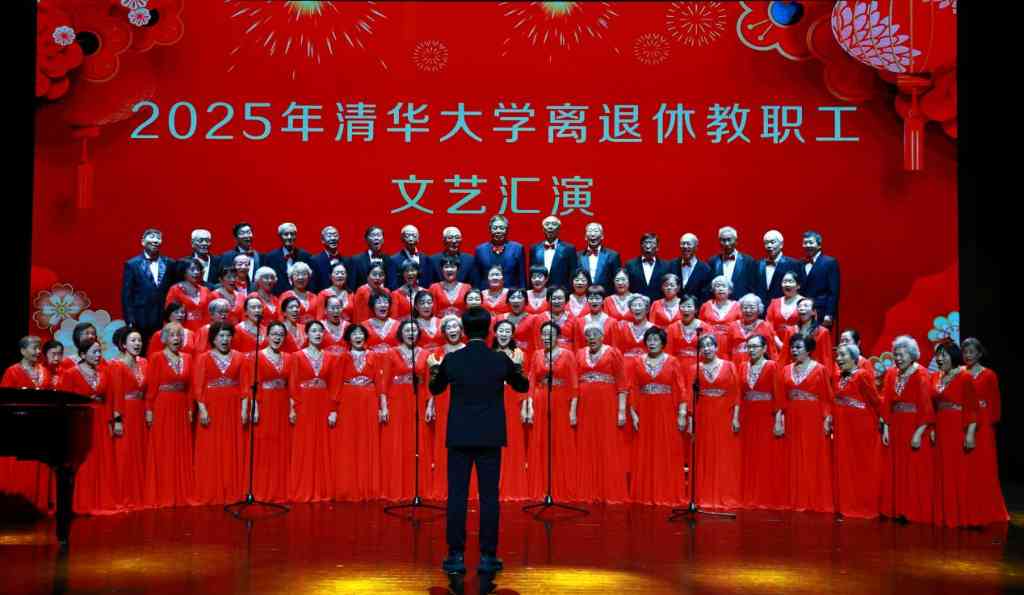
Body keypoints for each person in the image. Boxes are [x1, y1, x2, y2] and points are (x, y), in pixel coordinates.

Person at [428, 307, 529, 575]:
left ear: (463, 330)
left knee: (457, 496)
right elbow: (522, 386)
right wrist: (517, 365)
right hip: (489, 436)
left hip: (459, 436)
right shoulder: (499, 359)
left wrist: (435, 369)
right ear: (488, 331)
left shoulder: (453, 359)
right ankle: (487, 556)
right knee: (489, 497)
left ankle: (455, 556)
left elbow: (435, 388)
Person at [628, 327, 689, 506]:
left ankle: (667, 492)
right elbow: (633, 388)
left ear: (663, 343)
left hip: (666, 411)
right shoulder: (637, 361)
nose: (652, 343)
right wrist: (633, 414)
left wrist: (682, 413)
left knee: (666, 450)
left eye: (656, 340)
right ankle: (645, 493)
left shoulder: (673, 361)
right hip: (645, 410)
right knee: (645, 450)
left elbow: (681, 388)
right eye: (649, 340)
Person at [775, 334, 835, 513]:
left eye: (798, 347)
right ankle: (796, 498)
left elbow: (827, 397)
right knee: (793, 456)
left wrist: (827, 418)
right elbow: (781, 398)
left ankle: (813, 498)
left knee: (812, 455)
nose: (794, 350)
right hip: (793, 415)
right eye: (793, 347)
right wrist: (779, 419)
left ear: (808, 350)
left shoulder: (820, 369)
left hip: (813, 417)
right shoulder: (785, 370)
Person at [58, 338, 117, 514]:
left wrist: (111, 422)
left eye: (100, 352)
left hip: (100, 419)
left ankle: (102, 500)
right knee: (85, 461)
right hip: (82, 420)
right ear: (83, 355)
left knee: (101, 459)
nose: (98, 355)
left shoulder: (103, 373)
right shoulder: (70, 374)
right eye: (94, 352)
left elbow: (108, 400)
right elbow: (65, 402)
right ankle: (82, 501)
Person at [523, 321, 580, 502]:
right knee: (541, 442)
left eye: (551, 334)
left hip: (561, 401)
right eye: (544, 334)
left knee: (560, 442)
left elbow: (574, 384)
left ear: (558, 336)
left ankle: (561, 487)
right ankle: (541, 488)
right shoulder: (537, 354)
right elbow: (532, 381)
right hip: (541, 400)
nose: (547, 337)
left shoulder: (568, 355)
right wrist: (529, 406)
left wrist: (573, 410)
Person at [191, 321, 246, 506]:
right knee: (211, 448)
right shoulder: (203, 358)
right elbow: (198, 386)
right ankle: (211, 489)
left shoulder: (240, 357)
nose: (225, 339)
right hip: (211, 407)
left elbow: (245, 386)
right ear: (213, 339)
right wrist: (202, 409)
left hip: (233, 407)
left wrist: (244, 409)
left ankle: (231, 489)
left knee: (231, 447)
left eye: (228, 336)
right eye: (221, 336)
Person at [880, 335, 934, 524]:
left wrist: (919, 433)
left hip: (914, 425)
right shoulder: (891, 373)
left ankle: (911, 510)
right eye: (896, 355)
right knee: (896, 468)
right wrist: (886, 429)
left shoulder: (922, 374)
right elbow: (886, 402)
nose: (898, 358)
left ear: (912, 355)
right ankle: (895, 509)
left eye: (902, 355)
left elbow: (926, 407)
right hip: (895, 425)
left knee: (912, 470)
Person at [575, 324, 630, 503]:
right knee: (587, 442)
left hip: (607, 404)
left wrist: (621, 411)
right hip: (585, 405)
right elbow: (574, 382)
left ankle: (608, 489)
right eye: (588, 335)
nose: (591, 337)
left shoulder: (613, 353)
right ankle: (587, 489)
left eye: (595, 334)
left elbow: (622, 384)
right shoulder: (579, 354)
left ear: (602, 336)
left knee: (607, 443)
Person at [142, 322, 195, 508]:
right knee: (163, 448)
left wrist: (190, 409)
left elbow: (190, 388)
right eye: (172, 335)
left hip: (181, 406)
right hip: (162, 406)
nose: (176, 338)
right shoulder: (156, 358)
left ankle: (181, 492)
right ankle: (163, 493)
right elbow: (151, 387)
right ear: (165, 339)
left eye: (179, 335)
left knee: (180, 448)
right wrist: (149, 410)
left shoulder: (188, 358)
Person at [0, 337, 56, 511]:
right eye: (34, 348)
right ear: (23, 351)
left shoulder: (44, 371)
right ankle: (19, 504)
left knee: (40, 464)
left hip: (42, 427)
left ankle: (39, 503)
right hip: (21, 429)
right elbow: (5, 401)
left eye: (39, 348)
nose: (38, 352)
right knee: (22, 466)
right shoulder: (12, 372)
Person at [832, 343, 887, 519]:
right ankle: (847, 503)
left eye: (843, 355)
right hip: (844, 429)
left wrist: (885, 423)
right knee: (846, 467)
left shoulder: (862, 375)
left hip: (861, 430)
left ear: (854, 358)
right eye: (837, 355)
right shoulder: (838, 376)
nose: (839, 359)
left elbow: (875, 400)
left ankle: (864, 505)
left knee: (861, 468)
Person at [930, 342, 979, 528]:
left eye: (944, 355)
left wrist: (970, 433)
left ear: (953, 356)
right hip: (941, 427)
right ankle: (943, 515)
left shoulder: (965, 377)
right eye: (938, 355)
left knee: (956, 472)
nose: (939, 359)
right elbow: (934, 406)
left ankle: (958, 516)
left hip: (957, 427)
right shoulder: (937, 376)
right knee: (942, 471)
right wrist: (933, 428)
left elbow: (973, 408)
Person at [242, 321, 292, 503]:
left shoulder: (289, 358)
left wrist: (292, 408)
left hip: (282, 403)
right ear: (267, 336)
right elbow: (251, 384)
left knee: (281, 445)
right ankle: (262, 488)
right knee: (265, 446)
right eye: (274, 334)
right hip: (264, 403)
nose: (277, 338)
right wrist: (255, 407)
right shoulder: (256, 357)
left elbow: (292, 385)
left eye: (281, 335)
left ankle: (280, 488)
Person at [961, 338, 1009, 525]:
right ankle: (967, 509)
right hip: (964, 422)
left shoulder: (989, 375)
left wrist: (988, 425)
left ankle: (987, 510)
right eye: (965, 352)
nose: (968, 355)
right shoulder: (960, 373)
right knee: (966, 467)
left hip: (983, 426)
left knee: (983, 467)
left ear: (979, 353)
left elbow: (995, 403)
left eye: (971, 352)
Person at [379, 320, 430, 501]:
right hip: (397, 402)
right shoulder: (391, 353)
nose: (411, 333)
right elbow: (384, 383)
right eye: (407, 330)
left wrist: (430, 405)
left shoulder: (425, 353)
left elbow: (429, 382)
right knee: (397, 442)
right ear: (401, 333)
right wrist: (383, 406)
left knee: (417, 442)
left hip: (418, 401)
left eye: (414, 330)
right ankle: (397, 488)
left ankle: (417, 489)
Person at [288, 321, 338, 503]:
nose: (317, 334)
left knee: (323, 444)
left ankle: (323, 488)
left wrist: (333, 410)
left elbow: (334, 385)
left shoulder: (331, 357)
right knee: (305, 443)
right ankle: (304, 487)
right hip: (304, 403)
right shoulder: (297, 356)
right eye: (314, 331)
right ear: (307, 334)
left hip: (323, 402)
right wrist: (293, 408)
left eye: (320, 331)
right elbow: (293, 384)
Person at [332, 324, 383, 501]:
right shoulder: (342, 357)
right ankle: (348, 487)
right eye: (354, 334)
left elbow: (379, 383)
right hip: (348, 401)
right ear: (349, 338)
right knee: (349, 441)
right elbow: (336, 384)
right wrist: (333, 409)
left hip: (369, 400)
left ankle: (368, 487)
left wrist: (382, 407)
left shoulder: (374, 356)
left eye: (361, 334)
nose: (358, 336)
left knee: (367, 440)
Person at [692, 334, 742, 510]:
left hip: (723, 412)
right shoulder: (695, 368)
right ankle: (704, 495)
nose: (706, 349)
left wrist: (735, 417)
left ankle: (723, 494)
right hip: (703, 413)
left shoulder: (729, 366)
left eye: (710, 345)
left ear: (716, 347)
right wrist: (690, 418)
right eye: (703, 346)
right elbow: (690, 395)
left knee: (723, 453)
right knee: (704, 452)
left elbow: (736, 393)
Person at [738, 335, 787, 510]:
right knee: (748, 454)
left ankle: (765, 495)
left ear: (764, 348)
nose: (751, 350)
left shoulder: (772, 366)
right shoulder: (742, 366)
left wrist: (778, 420)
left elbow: (779, 394)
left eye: (755, 346)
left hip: (766, 415)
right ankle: (749, 494)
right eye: (749, 347)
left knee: (765, 455)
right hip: (748, 415)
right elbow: (739, 393)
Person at [425, 316, 468, 501]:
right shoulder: (436, 353)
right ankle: (444, 487)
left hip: (464, 400)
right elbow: (432, 382)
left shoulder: (468, 350)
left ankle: (465, 487)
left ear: (461, 330)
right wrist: (430, 404)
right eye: (448, 327)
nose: (452, 330)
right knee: (443, 440)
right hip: (443, 399)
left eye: (455, 326)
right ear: (443, 332)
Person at [107, 326, 148, 509]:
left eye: (139, 340)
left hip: (141, 412)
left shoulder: (144, 363)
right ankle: (124, 495)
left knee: (141, 453)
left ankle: (141, 494)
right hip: (125, 412)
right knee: (125, 455)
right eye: (133, 340)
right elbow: (116, 393)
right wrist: (117, 420)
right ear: (123, 344)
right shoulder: (116, 365)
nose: (137, 344)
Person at [492, 320, 529, 501]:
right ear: (495, 333)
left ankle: (512, 486)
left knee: (512, 441)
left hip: (513, 400)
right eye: (501, 330)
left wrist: (525, 406)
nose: (504, 334)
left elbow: (525, 382)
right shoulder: (489, 354)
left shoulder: (519, 354)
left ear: (512, 335)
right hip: (493, 401)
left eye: (508, 331)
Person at [122, 228, 175, 349]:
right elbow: (127, 295)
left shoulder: (169, 263)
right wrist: (129, 319)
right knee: (142, 349)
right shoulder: (132, 264)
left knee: (163, 349)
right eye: (152, 237)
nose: (155, 241)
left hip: (163, 317)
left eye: (158, 238)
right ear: (143, 242)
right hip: (141, 317)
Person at [473, 214, 526, 290]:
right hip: (486, 293)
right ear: (489, 229)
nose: (498, 231)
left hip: (511, 294)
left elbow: (521, 278)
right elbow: (476, 279)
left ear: (507, 230)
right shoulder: (480, 250)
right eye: (495, 228)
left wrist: (523, 292)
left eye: (502, 228)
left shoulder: (517, 248)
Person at [778, 298, 834, 370]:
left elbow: (826, 358)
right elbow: (784, 356)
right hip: (794, 371)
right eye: (799, 306)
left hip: (814, 371)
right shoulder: (790, 331)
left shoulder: (822, 332)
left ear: (813, 312)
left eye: (805, 305)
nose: (801, 308)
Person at [707, 226, 758, 303]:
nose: (726, 243)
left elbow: (752, 287)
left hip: (741, 305)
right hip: (718, 305)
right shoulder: (712, 261)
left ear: (736, 241)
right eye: (723, 240)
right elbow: (709, 287)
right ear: (719, 242)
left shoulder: (748, 261)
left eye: (729, 240)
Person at [801, 231, 840, 329]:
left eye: (810, 242)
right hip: (803, 311)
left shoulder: (829, 262)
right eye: (805, 243)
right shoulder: (801, 263)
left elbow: (833, 291)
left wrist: (829, 314)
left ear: (819, 245)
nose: (807, 245)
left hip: (821, 311)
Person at [262, 222, 313, 295]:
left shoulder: (305, 256)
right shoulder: (271, 257)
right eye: (286, 234)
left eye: (292, 234)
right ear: (280, 236)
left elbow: (311, 280)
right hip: (278, 297)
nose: (289, 237)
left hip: (301, 296)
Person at [726, 294, 778, 364]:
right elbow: (727, 351)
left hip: (757, 367)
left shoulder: (766, 326)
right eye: (745, 307)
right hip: (736, 366)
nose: (748, 310)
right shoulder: (733, 326)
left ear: (759, 309)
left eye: (752, 307)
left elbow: (772, 352)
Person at [529, 216, 578, 289]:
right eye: (547, 224)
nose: (550, 227)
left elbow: (573, 273)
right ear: (543, 229)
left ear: (559, 228)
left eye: (554, 224)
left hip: (561, 291)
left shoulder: (569, 249)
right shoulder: (535, 248)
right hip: (539, 290)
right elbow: (531, 272)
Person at [667, 295, 715, 371]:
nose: (686, 309)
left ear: (696, 310)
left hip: (699, 368)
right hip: (677, 367)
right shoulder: (672, 328)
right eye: (683, 306)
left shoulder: (706, 327)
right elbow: (668, 352)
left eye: (689, 306)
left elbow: (710, 351)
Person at [756, 230, 803, 304]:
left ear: (781, 244)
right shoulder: (758, 264)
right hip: (761, 306)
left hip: (784, 306)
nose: (769, 246)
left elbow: (800, 288)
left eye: (772, 242)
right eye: (766, 243)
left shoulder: (793, 264)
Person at [698, 275, 741, 352]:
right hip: (709, 346)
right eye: (717, 286)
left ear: (730, 290)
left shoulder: (738, 306)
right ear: (713, 290)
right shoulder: (705, 306)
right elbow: (700, 326)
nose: (721, 289)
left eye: (724, 286)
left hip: (731, 345)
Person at [578, 222, 622, 294]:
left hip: (606, 296)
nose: (592, 234)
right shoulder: (578, 256)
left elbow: (618, 279)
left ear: (602, 236)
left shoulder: (613, 256)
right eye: (590, 231)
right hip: (583, 297)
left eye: (596, 231)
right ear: (585, 237)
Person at [625, 232, 671, 301]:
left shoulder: (666, 266)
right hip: (636, 305)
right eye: (646, 243)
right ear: (641, 246)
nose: (648, 246)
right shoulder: (630, 265)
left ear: (657, 247)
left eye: (652, 243)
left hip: (658, 305)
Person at [671, 233, 712, 307]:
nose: (685, 246)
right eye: (683, 244)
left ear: (696, 247)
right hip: (673, 310)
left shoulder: (705, 269)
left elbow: (705, 296)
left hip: (696, 310)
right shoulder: (671, 265)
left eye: (689, 244)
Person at [532, 287, 577, 352]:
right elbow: (537, 343)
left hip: (568, 356)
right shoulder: (539, 319)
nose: (557, 301)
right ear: (548, 300)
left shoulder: (574, 319)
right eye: (553, 298)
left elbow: (577, 343)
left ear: (566, 300)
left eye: (560, 298)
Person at [217, 222, 261, 288]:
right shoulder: (227, 256)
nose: (246, 236)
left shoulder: (259, 256)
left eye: (249, 232)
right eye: (242, 233)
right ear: (236, 238)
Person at [349, 225, 394, 290]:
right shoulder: (356, 260)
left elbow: (392, 285)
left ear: (383, 240)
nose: (376, 238)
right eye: (373, 235)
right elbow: (352, 287)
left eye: (379, 235)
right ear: (366, 239)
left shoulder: (389, 259)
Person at [389, 224, 434, 289]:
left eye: (414, 235)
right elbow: (393, 285)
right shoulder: (394, 260)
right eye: (407, 236)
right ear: (402, 239)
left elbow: (429, 282)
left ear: (418, 238)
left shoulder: (426, 259)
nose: (410, 239)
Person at [495, 289, 537, 356]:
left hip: (527, 357)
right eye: (512, 297)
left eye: (519, 297)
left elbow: (537, 343)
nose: (516, 300)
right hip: (503, 356)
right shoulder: (499, 318)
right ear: (508, 301)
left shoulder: (534, 319)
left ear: (526, 301)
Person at [765, 271, 804, 343]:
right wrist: (778, 342)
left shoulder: (804, 303)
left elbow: (808, 326)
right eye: (784, 282)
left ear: (798, 285)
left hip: (797, 344)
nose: (787, 284)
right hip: (775, 343)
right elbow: (768, 325)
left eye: (790, 281)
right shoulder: (774, 302)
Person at [615, 294, 655, 358]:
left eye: (640, 305)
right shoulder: (623, 327)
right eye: (634, 305)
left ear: (647, 309)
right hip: (626, 362)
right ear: (630, 310)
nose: (637, 308)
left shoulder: (654, 329)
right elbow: (617, 350)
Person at [309, 225, 345, 293]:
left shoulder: (346, 261)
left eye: (335, 235)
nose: (333, 238)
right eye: (329, 236)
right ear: (322, 240)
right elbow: (312, 286)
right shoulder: (315, 261)